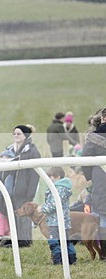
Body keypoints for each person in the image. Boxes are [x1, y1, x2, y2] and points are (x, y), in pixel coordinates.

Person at [0, 125, 41, 248]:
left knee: (23, 216)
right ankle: (16, 239)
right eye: (14, 133)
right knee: (14, 214)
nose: (16, 136)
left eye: (19, 133)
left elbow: (35, 174)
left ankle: (25, 241)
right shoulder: (10, 149)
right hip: (10, 190)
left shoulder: (32, 151)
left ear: (26, 136)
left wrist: (31, 193)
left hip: (24, 191)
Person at [39, 167, 76, 265]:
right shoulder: (61, 189)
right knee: (66, 242)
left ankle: (58, 261)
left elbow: (53, 205)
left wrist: (42, 208)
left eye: (50, 177)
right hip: (62, 221)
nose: (49, 179)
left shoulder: (59, 190)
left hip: (56, 222)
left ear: (57, 177)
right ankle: (71, 260)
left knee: (54, 242)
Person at [81, 107, 106, 249]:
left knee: (103, 217)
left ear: (103, 118)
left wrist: (90, 177)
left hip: (101, 178)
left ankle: (104, 253)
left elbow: (85, 159)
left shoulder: (93, 137)